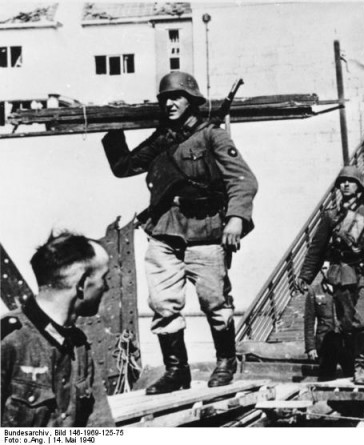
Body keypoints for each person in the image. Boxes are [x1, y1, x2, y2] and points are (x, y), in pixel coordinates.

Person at [102, 71, 258, 394]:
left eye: (177, 97)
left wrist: (236, 219)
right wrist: (114, 122)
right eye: (165, 99)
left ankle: (226, 362)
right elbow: (124, 167)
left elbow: (243, 181)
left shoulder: (213, 136)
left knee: (215, 302)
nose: (170, 103)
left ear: (192, 101)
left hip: (204, 232)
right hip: (164, 231)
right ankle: (177, 371)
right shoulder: (163, 138)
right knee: (162, 302)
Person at [1, 232, 114, 427]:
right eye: (104, 278)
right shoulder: (9, 340)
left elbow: (101, 427)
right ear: (82, 285)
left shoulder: (78, 344)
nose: (107, 287)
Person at [296, 166, 364, 385]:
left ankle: (361, 366)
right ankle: (353, 364)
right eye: (342, 181)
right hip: (341, 275)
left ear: (359, 186)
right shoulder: (331, 216)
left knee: (363, 321)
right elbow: (317, 248)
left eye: (350, 181)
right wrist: (306, 276)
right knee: (348, 324)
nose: (345, 184)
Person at [304, 284, 354, 381]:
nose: (325, 271)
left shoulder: (344, 288)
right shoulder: (314, 291)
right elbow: (309, 320)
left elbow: (357, 316)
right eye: (323, 268)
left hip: (345, 341)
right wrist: (310, 347)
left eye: (328, 267)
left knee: (350, 376)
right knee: (326, 378)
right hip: (324, 344)